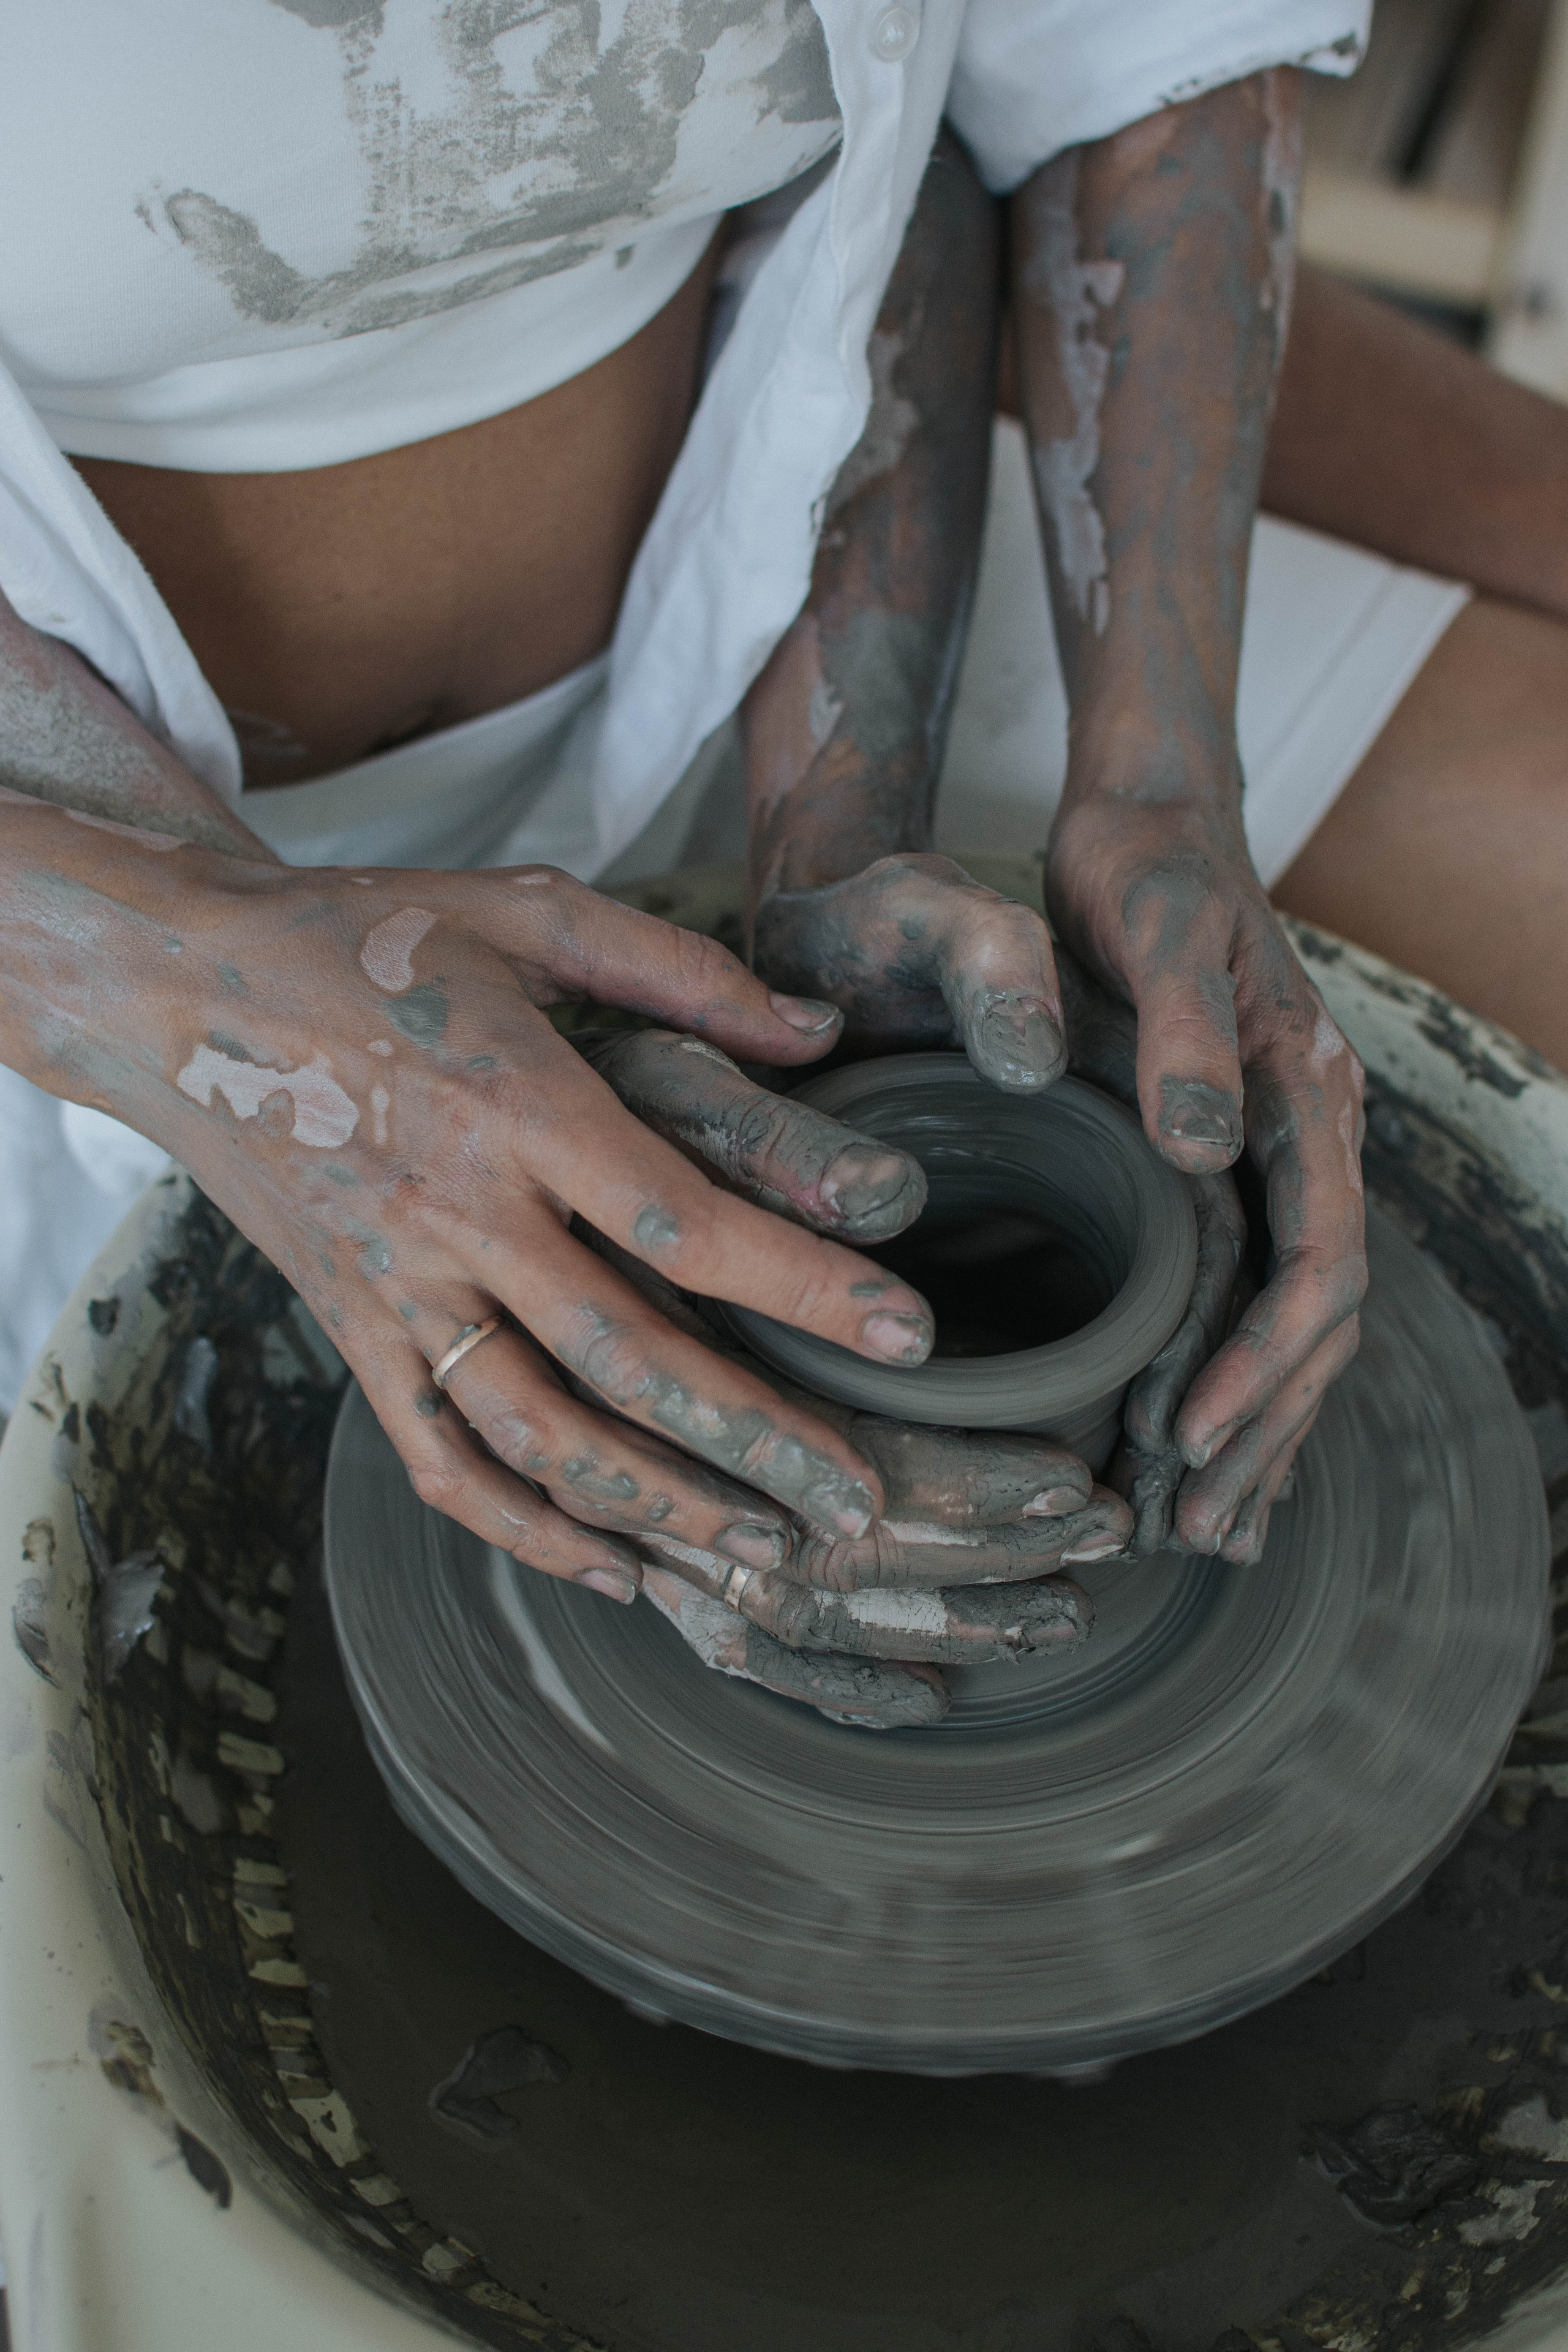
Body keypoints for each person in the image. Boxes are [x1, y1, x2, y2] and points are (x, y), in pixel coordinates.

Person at [0, 2, 1395, 1726]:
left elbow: (1026, 86)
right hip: (86, 874)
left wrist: (1094, 789)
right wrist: (179, 986)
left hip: (769, 612)